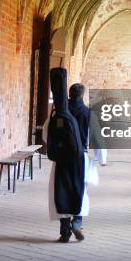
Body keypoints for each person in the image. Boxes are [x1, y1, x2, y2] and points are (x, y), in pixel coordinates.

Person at [43, 68, 92, 243]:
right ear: (82, 95)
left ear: (69, 94)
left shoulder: (59, 112)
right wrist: (102, 159)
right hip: (81, 158)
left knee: (61, 191)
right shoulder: (88, 112)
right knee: (80, 191)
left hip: (62, 159)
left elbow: (46, 134)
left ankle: (64, 232)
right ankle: (77, 223)